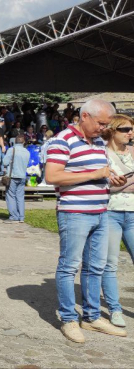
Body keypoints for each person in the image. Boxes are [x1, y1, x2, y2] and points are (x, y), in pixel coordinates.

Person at [45, 99, 127, 343]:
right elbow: (52, 176)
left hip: (101, 211)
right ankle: (69, 318)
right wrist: (96, 174)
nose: (104, 128)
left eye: (107, 124)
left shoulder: (98, 142)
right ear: (85, 117)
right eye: (101, 123)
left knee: (95, 267)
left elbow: (94, 175)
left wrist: (109, 181)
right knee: (69, 267)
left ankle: (91, 317)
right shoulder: (62, 140)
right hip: (74, 213)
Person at [102, 114, 134, 329]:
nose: (130, 133)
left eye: (131, 129)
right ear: (112, 130)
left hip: (133, 213)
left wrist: (122, 184)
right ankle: (114, 308)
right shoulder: (102, 153)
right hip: (111, 213)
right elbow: (103, 187)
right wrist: (125, 185)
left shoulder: (133, 152)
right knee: (110, 264)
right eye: (124, 129)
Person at [2, 136, 30, 224]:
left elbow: (4, 162)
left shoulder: (11, 150)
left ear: (14, 141)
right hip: (22, 176)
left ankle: (14, 216)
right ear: (23, 142)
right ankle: (21, 217)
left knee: (11, 196)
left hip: (13, 176)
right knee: (20, 197)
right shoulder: (27, 151)